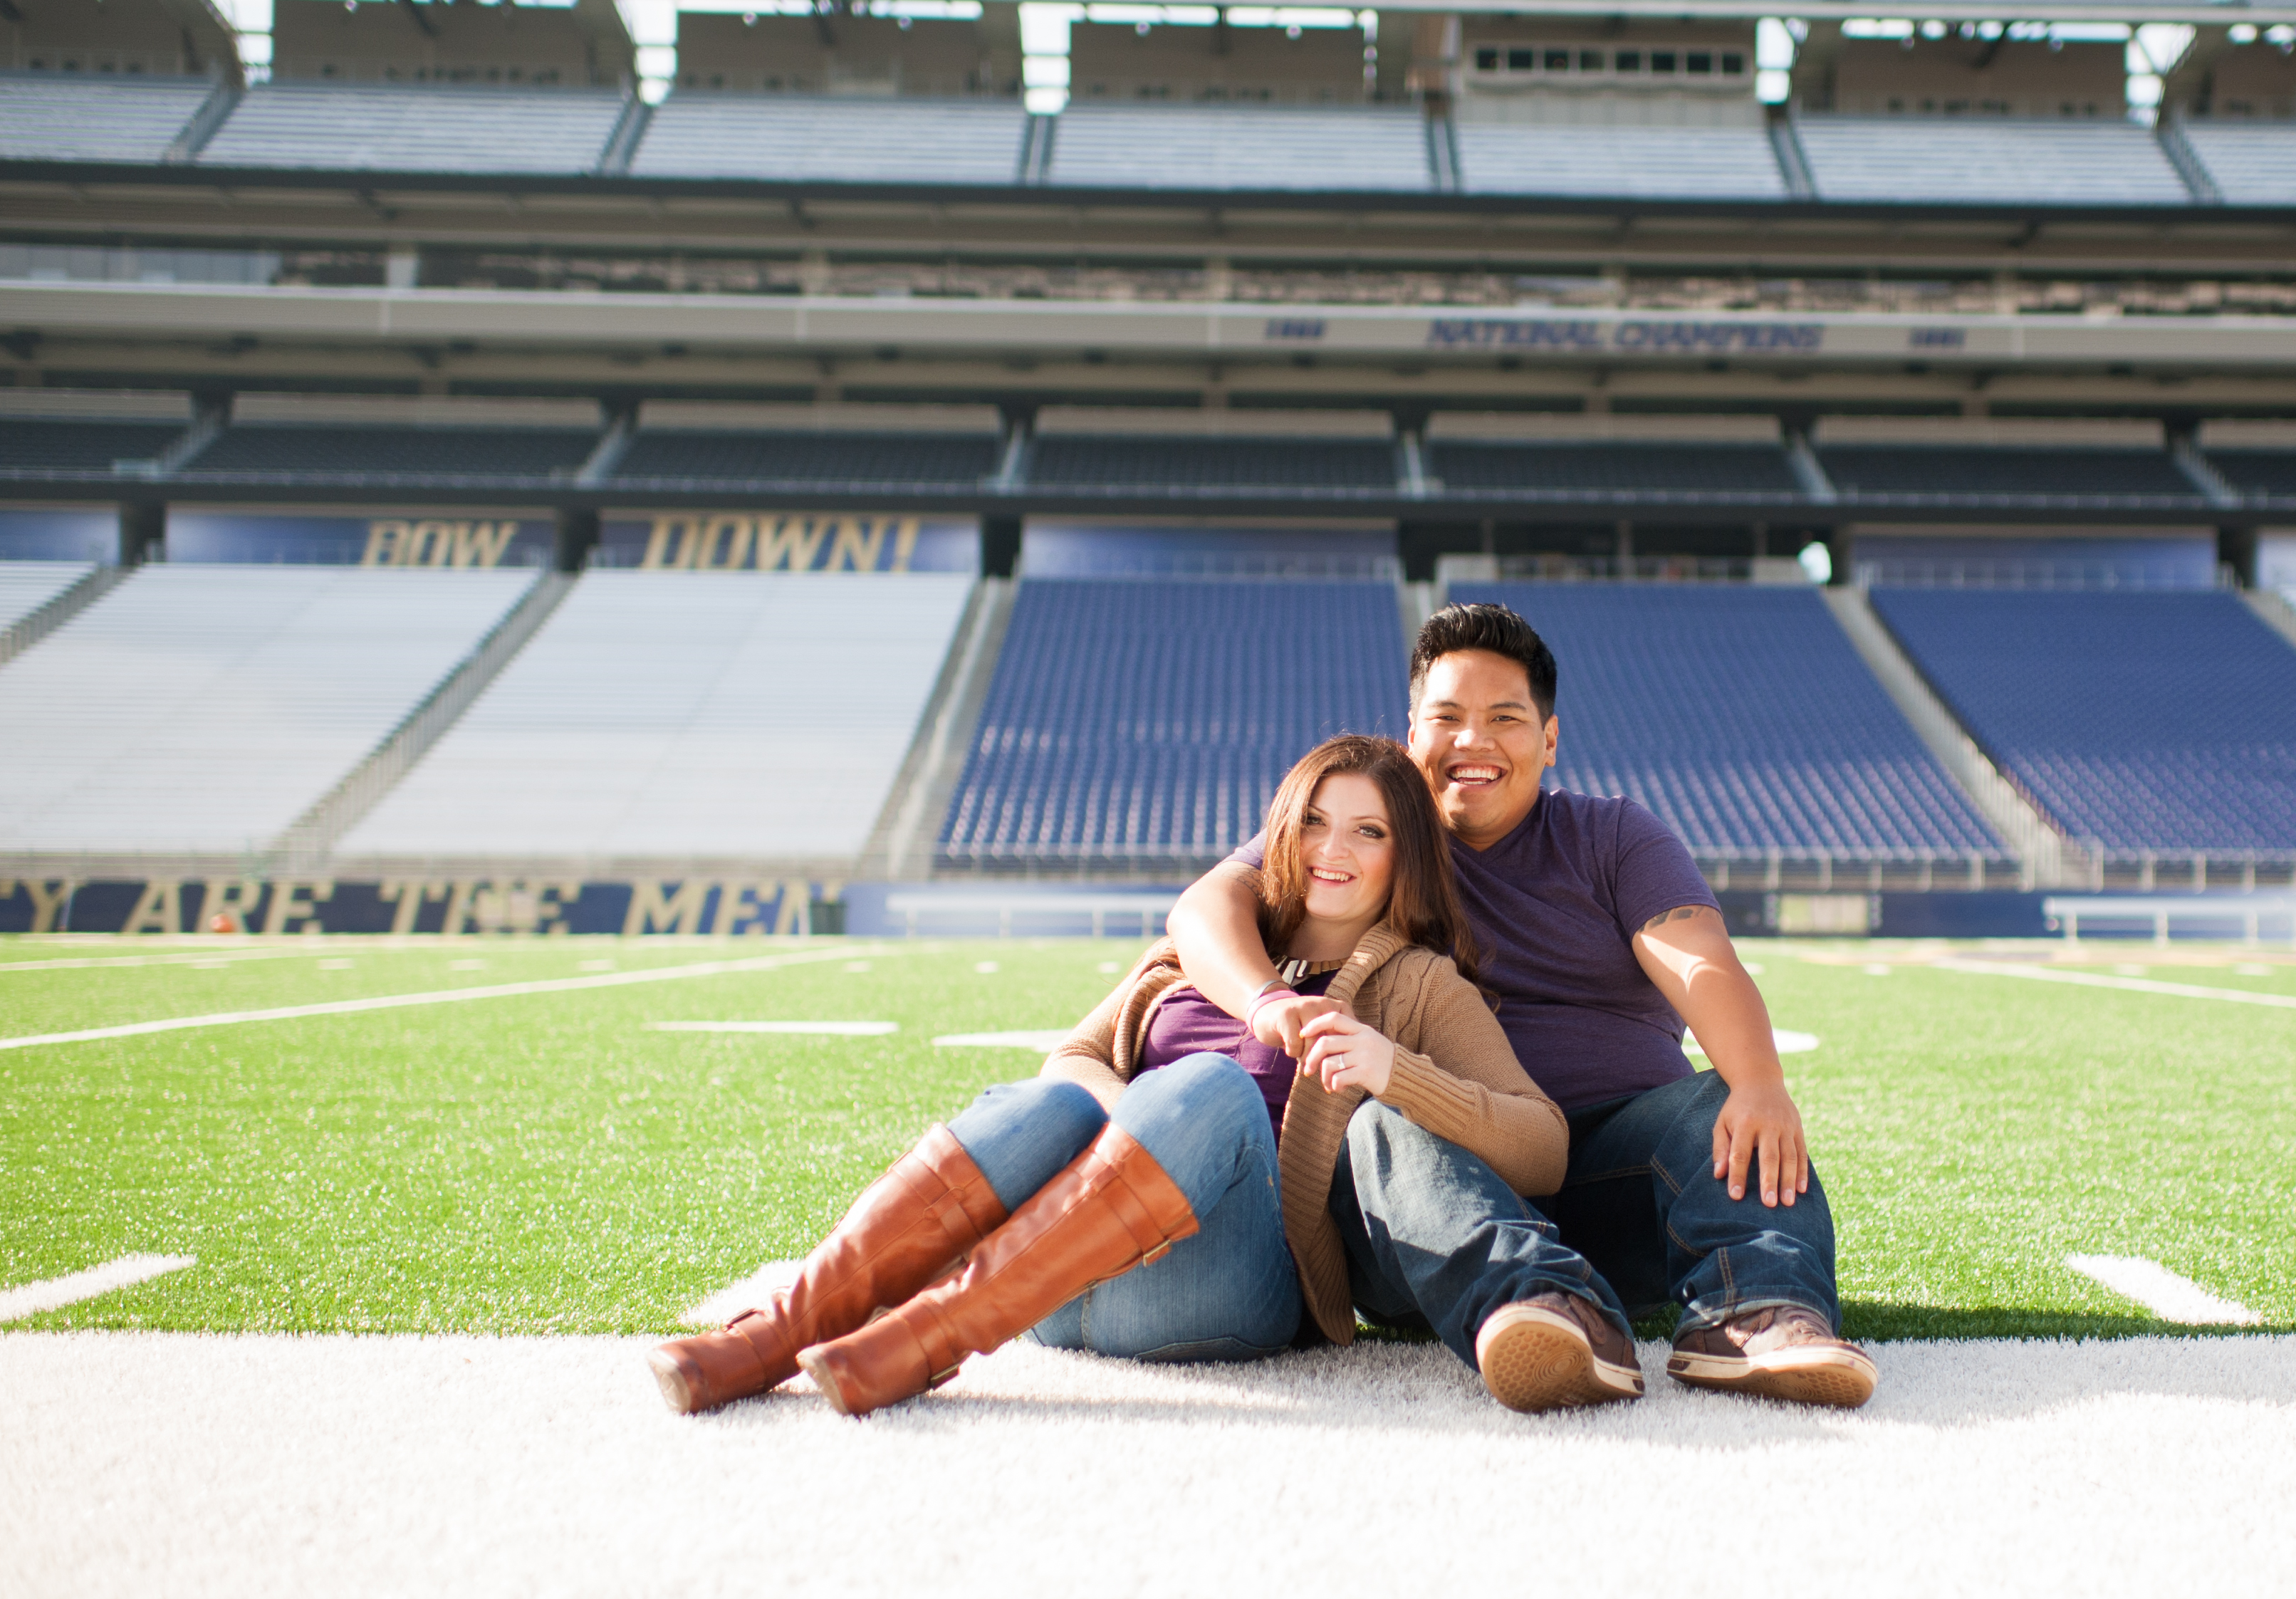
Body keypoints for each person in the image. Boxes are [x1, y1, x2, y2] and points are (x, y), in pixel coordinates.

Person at [647, 732, 1569, 1418]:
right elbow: (1075, 1060)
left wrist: (1396, 1071)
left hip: (1224, 1289)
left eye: (1367, 831)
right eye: (1315, 821)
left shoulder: (1419, 985)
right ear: (1281, 833)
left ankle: (926, 1340)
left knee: (1212, 1090)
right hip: (1060, 1280)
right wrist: (1136, 1128)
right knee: (1054, 1096)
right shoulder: (1202, 952)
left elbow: (1544, 1146)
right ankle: (779, 1332)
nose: (1334, 849)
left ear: (1403, 854)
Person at [1169, 600, 1876, 1412]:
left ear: (1547, 740)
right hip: (1434, 1196)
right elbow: (1206, 904)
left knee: (1720, 1101)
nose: (1471, 742)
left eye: (1502, 718)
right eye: (1447, 719)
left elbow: (1696, 957)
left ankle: (1758, 1311)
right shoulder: (1368, 839)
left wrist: (1757, 1081)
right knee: (1381, 1124)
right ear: (1412, 738)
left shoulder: (1612, 838)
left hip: (1609, 1169)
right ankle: (1539, 1307)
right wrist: (1264, 1000)